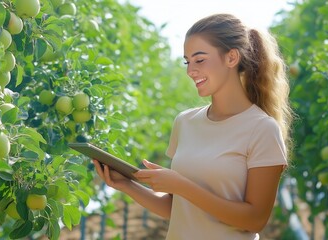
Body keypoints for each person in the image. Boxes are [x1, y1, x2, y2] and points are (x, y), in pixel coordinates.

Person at [93, 13, 293, 239]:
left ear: (231, 57)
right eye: (187, 62)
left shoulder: (262, 129)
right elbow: (178, 209)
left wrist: (181, 185)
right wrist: (127, 185)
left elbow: (255, 220)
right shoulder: (185, 122)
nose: (190, 71)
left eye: (199, 60)